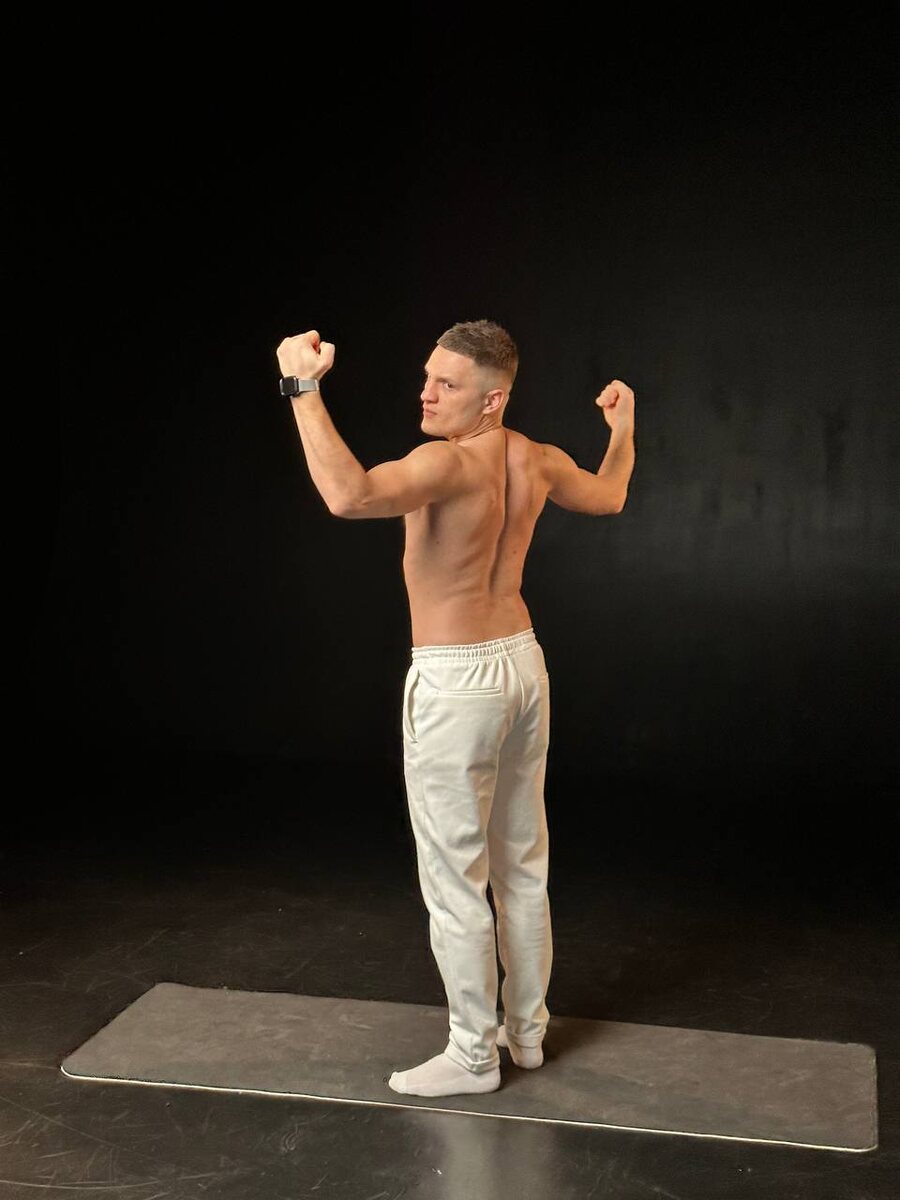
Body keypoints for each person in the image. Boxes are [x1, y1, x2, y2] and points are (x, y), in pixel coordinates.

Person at [276, 319, 636, 1097]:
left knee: (456, 880)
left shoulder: (443, 462)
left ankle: (475, 1056)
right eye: (428, 377)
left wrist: (301, 388)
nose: (427, 393)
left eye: (448, 384)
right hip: (522, 665)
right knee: (522, 867)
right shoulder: (537, 458)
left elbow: (348, 495)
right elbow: (610, 496)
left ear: (492, 399)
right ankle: (526, 1034)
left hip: (459, 682)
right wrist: (623, 429)